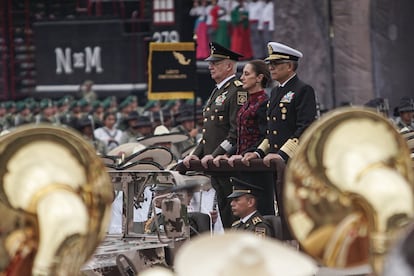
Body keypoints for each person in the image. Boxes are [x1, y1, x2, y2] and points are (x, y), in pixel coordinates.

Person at [242, 42, 317, 239]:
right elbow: (272, 133)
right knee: (282, 209)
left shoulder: (303, 90)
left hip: (294, 162)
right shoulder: (275, 92)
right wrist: (258, 152)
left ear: (290, 66)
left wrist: (282, 154)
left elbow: (304, 128)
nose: (271, 68)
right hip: (277, 164)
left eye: (276, 63)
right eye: (270, 64)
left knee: (297, 211)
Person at [183, 42, 247, 228]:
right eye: (210, 62)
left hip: (227, 164)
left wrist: (217, 153)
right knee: (224, 211)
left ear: (229, 65)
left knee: (232, 214)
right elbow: (208, 134)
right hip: (214, 165)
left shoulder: (237, 90)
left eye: (216, 63)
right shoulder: (217, 91)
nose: (210, 66)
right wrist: (195, 154)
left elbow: (235, 132)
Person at [213, 59, 275, 215]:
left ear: (259, 78)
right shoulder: (248, 102)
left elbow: (264, 136)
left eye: (247, 74)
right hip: (241, 165)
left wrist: (253, 153)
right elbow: (241, 137)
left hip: (256, 166)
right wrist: (228, 154)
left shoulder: (264, 102)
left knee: (260, 212)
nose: (242, 78)